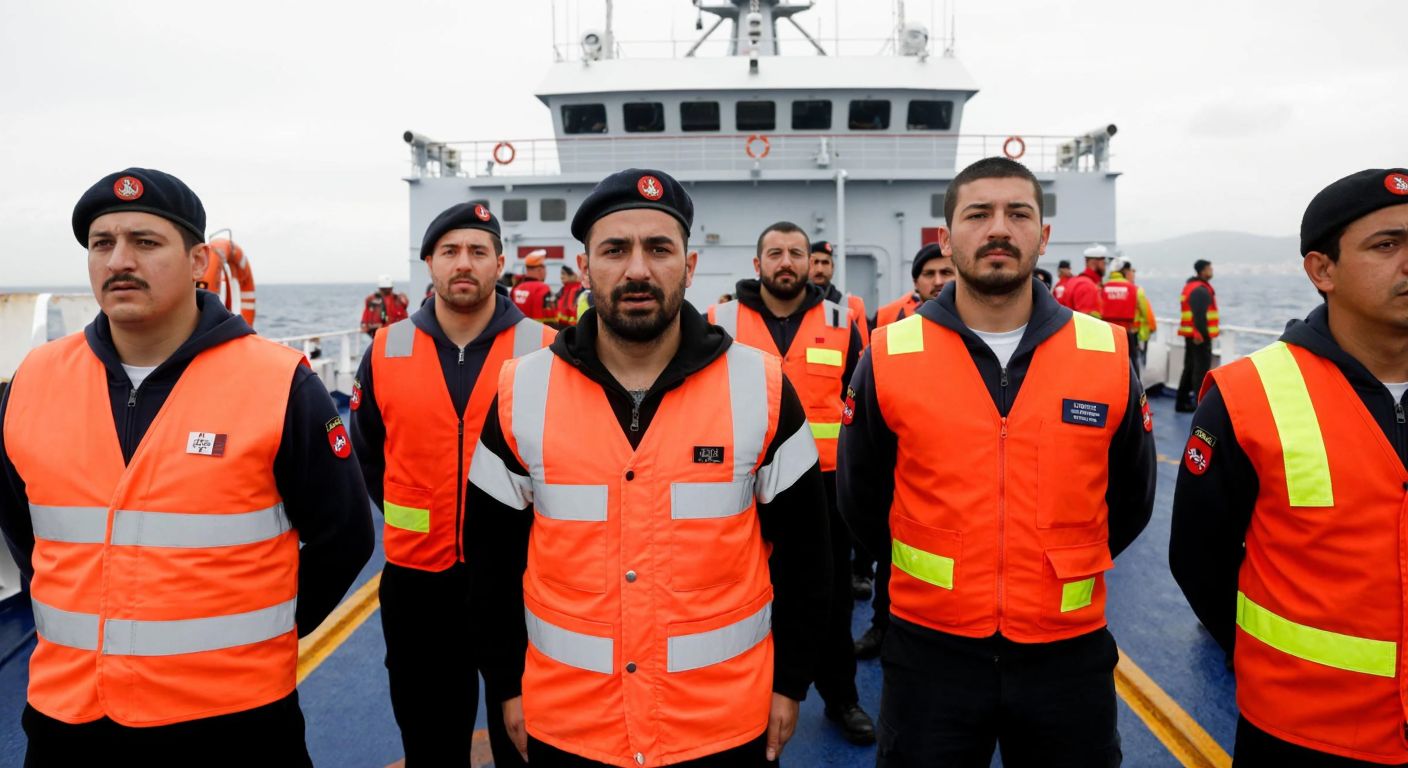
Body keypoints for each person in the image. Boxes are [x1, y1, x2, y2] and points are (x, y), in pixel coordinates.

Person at [0, 167, 374, 764]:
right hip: (68, 718)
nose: (120, 259)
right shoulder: (33, 382)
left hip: (234, 723)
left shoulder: (277, 382)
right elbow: (25, 528)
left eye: (145, 242)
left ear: (199, 261)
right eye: (103, 244)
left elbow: (345, 535)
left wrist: (264, 637)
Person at [467, 168, 831, 767]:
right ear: (585, 270)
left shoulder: (761, 388)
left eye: (659, 248)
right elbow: (490, 560)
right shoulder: (521, 391)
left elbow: (809, 558)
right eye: (615, 249)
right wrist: (506, 683)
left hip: (721, 723)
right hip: (569, 721)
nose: (637, 269)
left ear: (688, 269)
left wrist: (790, 682)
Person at [838, 156, 1156, 767]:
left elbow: (1132, 498)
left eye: (1018, 213)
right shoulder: (890, 352)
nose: (999, 229)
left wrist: (1051, 570)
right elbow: (861, 496)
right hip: (931, 649)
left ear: (1043, 234)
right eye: (978, 214)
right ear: (948, 235)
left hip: (1067, 650)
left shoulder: (1106, 352)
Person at [1169, 168, 1408, 766]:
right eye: (1387, 245)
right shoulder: (1249, 396)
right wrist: (1265, 658)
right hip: (1303, 730)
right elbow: (1199, 558)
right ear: (1321, 270)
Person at [350, 202, 553, 766]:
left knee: (528, 740)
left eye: (477, 251)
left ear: (499, 264)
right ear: (429, 264)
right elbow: (368, 454)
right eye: (450, 252)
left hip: (524, 576)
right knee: (430, 741)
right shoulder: (386, 350)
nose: (464, 263)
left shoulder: (544, 350)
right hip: (419, 583)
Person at [708, 222, 874, 745]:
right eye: (774, 252)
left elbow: (860, 403)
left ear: (811, 262)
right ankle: (733, 703)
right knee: (730, 593)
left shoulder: (842, 321)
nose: (786, 261)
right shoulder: (719, 319)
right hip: (737, 483)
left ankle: (841, 698)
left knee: (829, 599)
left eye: (795, 253)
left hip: (820, 487)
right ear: (757, 263)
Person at [874, 243, 955, 327]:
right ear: (915, 284)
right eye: (929, 274)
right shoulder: (892, 320)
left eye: (946, 273)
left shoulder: (969, 322)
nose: (938, 282)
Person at [1174, 259, 1217, 412]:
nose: (1211, 270)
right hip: (1199, 337)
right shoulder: (1200, 289)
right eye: (1209, 268)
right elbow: (1199, 316)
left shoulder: (1190, 287)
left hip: (1190, 335)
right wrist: (1201, 335)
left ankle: (1181, 402)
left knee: (1190, 368)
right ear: (1202, 271)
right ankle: (1200, 407)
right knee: (1200, 371)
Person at [809, 240, 870, 346]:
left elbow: (862, 352)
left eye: (825, 263)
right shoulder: (791, 304)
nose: (819, 269)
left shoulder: (853, 306)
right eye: (815, 262)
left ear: (833, 268)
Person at [1100, 257, 1142, 369]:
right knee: (1131, 364)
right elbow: (1145, 314)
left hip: (1106, 333)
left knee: (1107, 363)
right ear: (1125, 271)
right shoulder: (1134, 288)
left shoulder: (1102, 287)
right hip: (1127, 332)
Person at [1055, 245, 1107, 316]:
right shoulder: (1088, 286)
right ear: (1095, 262)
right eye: (1104, 262)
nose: (1105, 266)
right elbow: (1087, 320)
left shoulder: (1073, 281)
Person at [362, 274, 410, 338]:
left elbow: (365, 324)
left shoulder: (371, 299)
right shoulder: (398, 299)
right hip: (389, 335)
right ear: (391, 287)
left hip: (383, 335)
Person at [512, 250, 554, 321]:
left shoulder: (517, 288)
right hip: (537, 331)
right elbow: (549, 317)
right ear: (540, 270)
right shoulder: (543, 288)